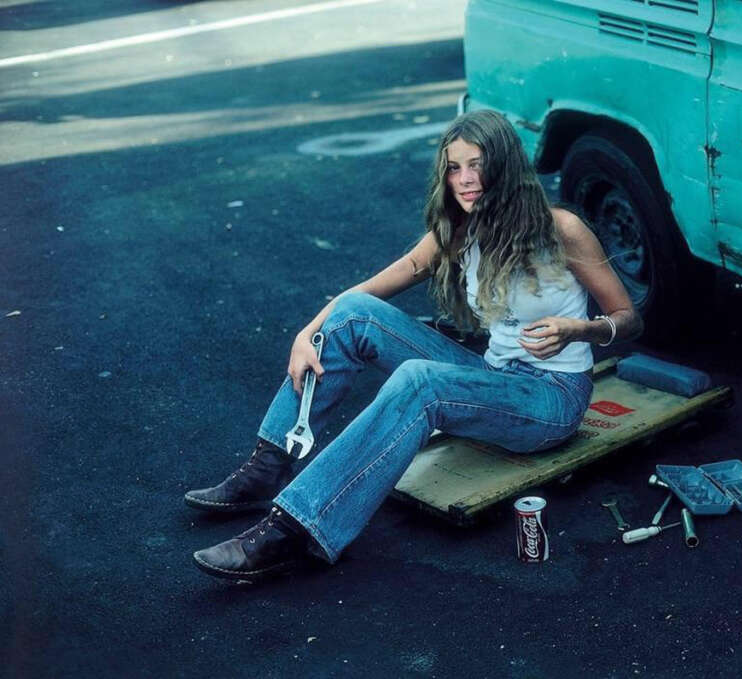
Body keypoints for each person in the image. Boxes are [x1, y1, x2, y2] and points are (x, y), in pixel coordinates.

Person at [187, 109, 642, 581]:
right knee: (353, 317)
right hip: (492, 380)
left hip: (550, 399)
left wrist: (579, 329)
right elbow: (366, 293)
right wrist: (308, 333)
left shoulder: (561, 229)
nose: (465, 180)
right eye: (454, 167)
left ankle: (293, 529)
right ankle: (266, 467)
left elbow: (628, 319)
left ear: (505, 165)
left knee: (420, 382)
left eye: (477, 164)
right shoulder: (461, 229)